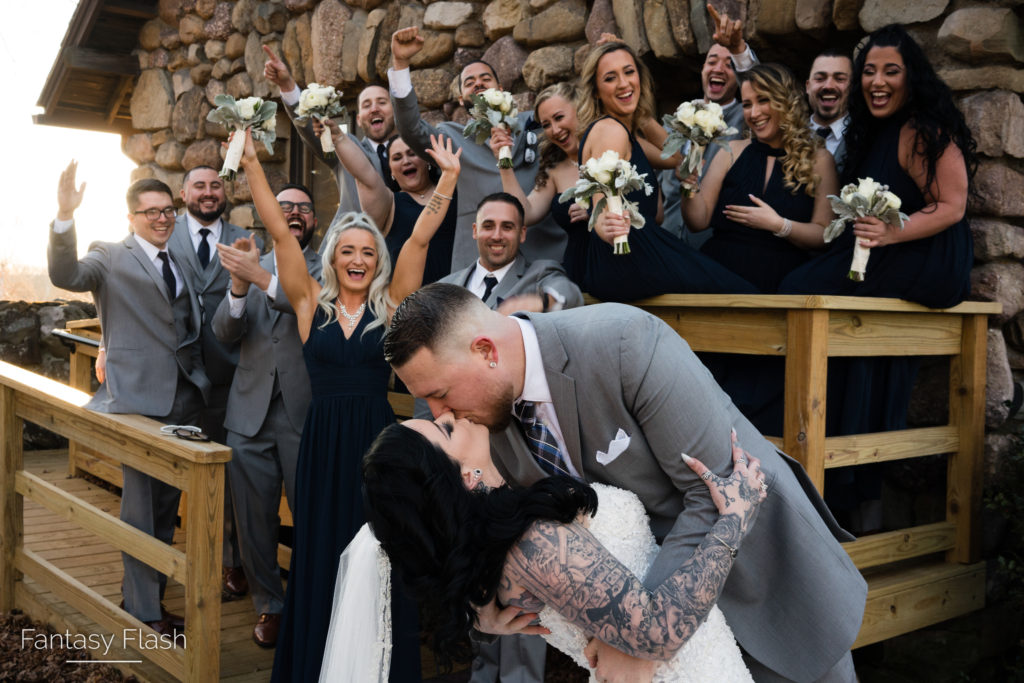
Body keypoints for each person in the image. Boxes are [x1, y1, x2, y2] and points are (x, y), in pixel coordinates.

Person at [385, 283, 867, 682]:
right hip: (659, 629)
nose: (442, 415)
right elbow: (469, 525)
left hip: (764, 584)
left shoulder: (624, 341)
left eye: (440, 395)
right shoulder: (474, 424)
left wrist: (639, 639)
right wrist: (483, 607)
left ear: (486, 351)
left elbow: (712, 488)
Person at [240, 129, 459, 682]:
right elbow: (277, 230)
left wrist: (449, 182)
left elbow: (417, 243)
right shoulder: (310, 303)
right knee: (320, 552)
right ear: (333, 260)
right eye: (347, 251)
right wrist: (249, 162)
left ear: (375, 261)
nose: (357, 258)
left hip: (378, 447)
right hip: (321, 444)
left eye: (366, 252)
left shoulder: (390, 305)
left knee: (379, 553)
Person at [321, 420, 766, 681]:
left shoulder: (491, 543)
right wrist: (734, 520)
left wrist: (483, 618)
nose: (454, 413)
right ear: (462, 478)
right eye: (447, 428)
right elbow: (657, 632)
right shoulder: (532, 543)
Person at [779, 25, 977, 531]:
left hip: (926, 256)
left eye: (891, 71)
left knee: (797, 290)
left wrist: (893, 232)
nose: (877, 81)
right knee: (810, 296)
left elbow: (952, 206)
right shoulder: (877, 133)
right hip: (885, 251)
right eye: (869, 72)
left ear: (912, 78)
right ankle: (841, 488)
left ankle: (845, 487)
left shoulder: (922, 128)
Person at [48, 165, 209, 637]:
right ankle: (145, 612)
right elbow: (66, 274)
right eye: (151, 212)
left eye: (168, 211)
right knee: (140, 509)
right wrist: (63, 215)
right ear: (131, 216)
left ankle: (146, 595)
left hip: (186, 398)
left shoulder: (178, 256)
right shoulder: (109, 255)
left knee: (166, 508)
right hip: (138, 400)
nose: (162, 219)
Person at [435, 191, 582, 682]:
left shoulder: (541, 275)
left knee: (522, 573)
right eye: (488, 224)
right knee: (477, 567)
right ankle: (481, 673)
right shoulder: (448, 289)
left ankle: (520, 679)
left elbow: (569, 298)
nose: (497, 234)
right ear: (474, 230)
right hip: (465, 457)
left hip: (521, 453)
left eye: (507, 226)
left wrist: (539, 304)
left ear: (522, 234)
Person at [210, 183, 322, 648]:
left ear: (315, 220)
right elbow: (223, 331)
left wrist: (258, 278)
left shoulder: (330, 265)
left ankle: (312, 602)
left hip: (304, 412)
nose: (294, 213)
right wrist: (238, 286)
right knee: (254, 522)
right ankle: (269, 605)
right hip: (248, 413)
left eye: (303, 208)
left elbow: (314, 311)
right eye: (285, 207)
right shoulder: (250, 262)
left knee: (311, 516)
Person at [572, 41, 757, 301]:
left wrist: (639, 113)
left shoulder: (625, 133)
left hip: (638, 251)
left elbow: (677, 158)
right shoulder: (611, 132)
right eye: (610, 78)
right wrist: (606, 225)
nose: (624, 83)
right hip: (627, 257)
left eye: (629, 72)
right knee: (739, 294)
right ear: (596, 91)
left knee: (729, 285)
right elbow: (602, 201)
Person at [388, 27, 565, 270]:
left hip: (541, 254)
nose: (478, 83)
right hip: (478, 262)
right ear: (461, 98)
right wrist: (400, 63)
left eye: (485, 78)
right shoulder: (452, 137)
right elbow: (409, 128)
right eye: (469, 82)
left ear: (501, 88)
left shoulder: (536, 125)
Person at [167, 164, 256, 600]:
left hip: (231, 377)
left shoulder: (244, 238)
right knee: (169, 482)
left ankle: (233, 566)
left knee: (232, 479)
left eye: (215, 185)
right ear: (184, 192)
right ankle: (163, 570)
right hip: (177, 378)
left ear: (226, 192)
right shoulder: (165, 237)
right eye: (199, 185)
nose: (207, 192)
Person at [681, 63, 837, 293]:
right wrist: (688, 188)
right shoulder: (730, 150)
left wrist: (780, 225)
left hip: (783, 282)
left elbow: (826, 235)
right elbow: (698, 222)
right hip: (720, 274)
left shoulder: (819, 159)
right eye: (747, 104)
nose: (754, 113)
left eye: (763, 100)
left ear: (785, 102)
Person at [313, 115, 457, 285]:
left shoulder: (456, 191)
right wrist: (338, 139)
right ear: (391, 173)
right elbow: (364, 175)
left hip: (459, 297)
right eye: (397, 158)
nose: (406, 160)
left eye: (412, 154)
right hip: (409, 304)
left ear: (427, 161)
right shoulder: (390, 204)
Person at [263, 46, 396, 220]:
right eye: (366, 105)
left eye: (382, 102)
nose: (374, 109)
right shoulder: (345, 148)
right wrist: (287, 85)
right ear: (358, 119)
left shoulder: (410, 154)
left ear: (394, 110)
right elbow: (312, 130)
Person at [661, 4, 757, 245]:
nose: (718, 69)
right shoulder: (676, 121)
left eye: (729, 65)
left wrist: (739, 50)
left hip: (714, 246)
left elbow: (759, 86)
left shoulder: (747, 118)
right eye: (712, 61)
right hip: (667, 241)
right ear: (702, 69)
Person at [806, 50, 853, 176]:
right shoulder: (785, 135)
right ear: (807, 86)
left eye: (840, 79)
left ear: (852, 87)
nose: (828, 86)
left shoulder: (866, 139)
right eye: (820, 78)